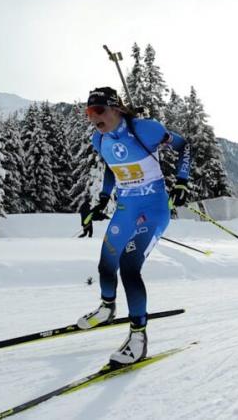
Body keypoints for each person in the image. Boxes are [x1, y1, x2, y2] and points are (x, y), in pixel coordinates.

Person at [77, 87, 192, 366]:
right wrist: (103, 200)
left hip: (152, 210)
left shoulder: (146, 130)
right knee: (106, 262)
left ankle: (138, 338)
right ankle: (107, 308)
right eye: (89, 113)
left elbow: (184, 146)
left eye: (99, 111)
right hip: (126, 208)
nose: (93, 118)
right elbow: (110, 166)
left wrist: (182, 181)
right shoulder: (99, 139)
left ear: (116, 109)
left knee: (129, 265)